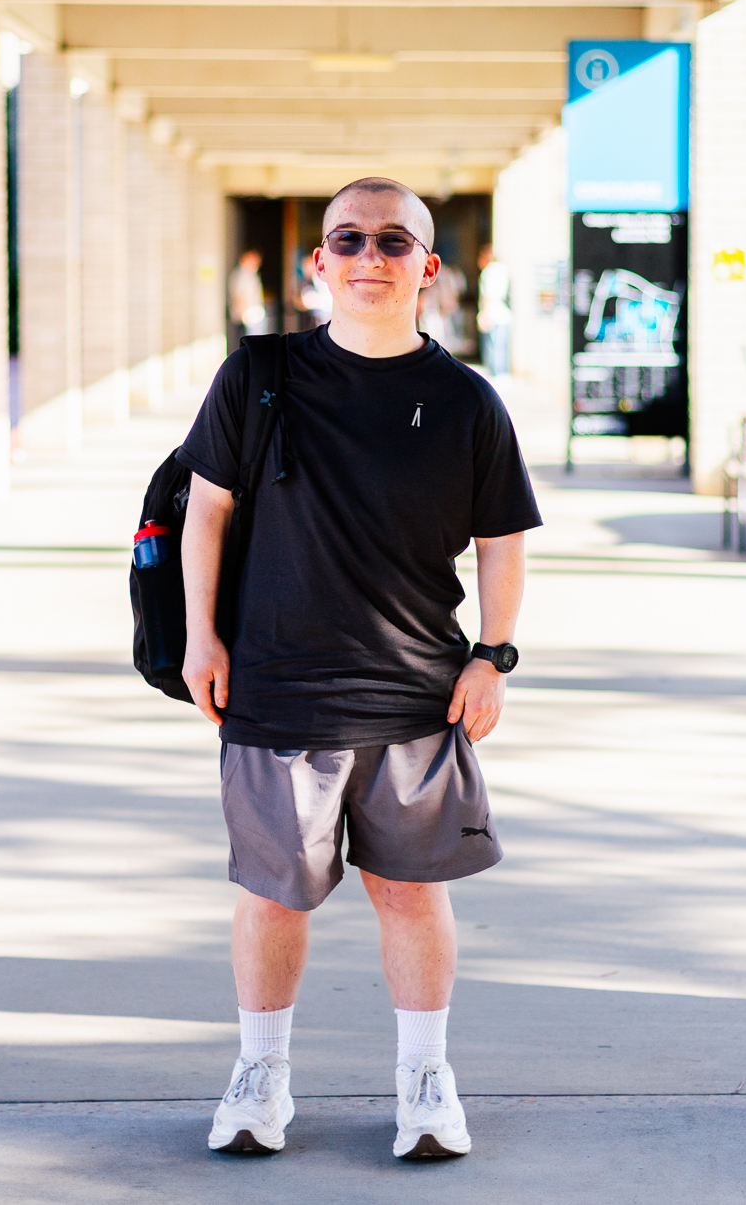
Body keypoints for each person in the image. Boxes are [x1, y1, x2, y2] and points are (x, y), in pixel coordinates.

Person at [177, 177, 541, 1161]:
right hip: (276, 688)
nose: (368, 256)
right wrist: (200, 637)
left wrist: (493, 656)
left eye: (392, 241)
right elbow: (205, 511)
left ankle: (425, 1082)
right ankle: (260, 1077)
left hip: (417, 696)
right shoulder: (257, 375)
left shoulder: (466, 401)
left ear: (428, 267)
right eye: (348, 239)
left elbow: (501, 541)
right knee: (273, 895)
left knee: (412, 894)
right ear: (319, 262)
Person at [476, 245, 512, 376]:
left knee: (493, 348)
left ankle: (495, 375)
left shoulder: (488, 272)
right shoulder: (503, 269)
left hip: (492, 313)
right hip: (504, 314)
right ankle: (502, 374)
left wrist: (484, 313)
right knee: (502, 348)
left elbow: (487, 295)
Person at [229, 250, 268, 341]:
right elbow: (238, 296)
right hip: (248, 316)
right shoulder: (242, 275)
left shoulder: (251, 274)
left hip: (253, 314)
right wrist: (243, 314)